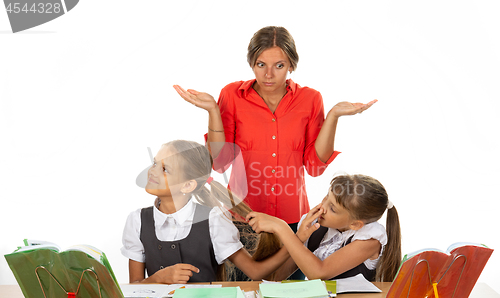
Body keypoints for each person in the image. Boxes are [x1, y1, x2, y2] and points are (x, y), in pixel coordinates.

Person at [173, 26, 377, 230]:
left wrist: (333, 116)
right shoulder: (232, 95)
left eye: (279, 66)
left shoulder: (310, 99)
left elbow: (315, 167)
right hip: (241, 218)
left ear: (291, 66)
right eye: (261, 64)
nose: (268, 74)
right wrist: (213, 111)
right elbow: (220, 163)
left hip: (291, 219)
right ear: (252, 64)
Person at [120, 140, 317, 283]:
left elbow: (255, 273)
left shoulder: (213, 219)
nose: (152, 171)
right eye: (155, 163)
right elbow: (135, 287)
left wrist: (297, 239)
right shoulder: (137, 220)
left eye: (165, 169)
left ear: (187, 185)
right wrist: (157, 279)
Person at [246, 174, 402, 282]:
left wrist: (282, 228)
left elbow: (319, 272)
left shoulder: (369, 239)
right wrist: (299, 238)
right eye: (327, 196)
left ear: (355, 224)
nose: (323, 207)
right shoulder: (319, 229)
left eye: (333, 208)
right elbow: (276, 277)